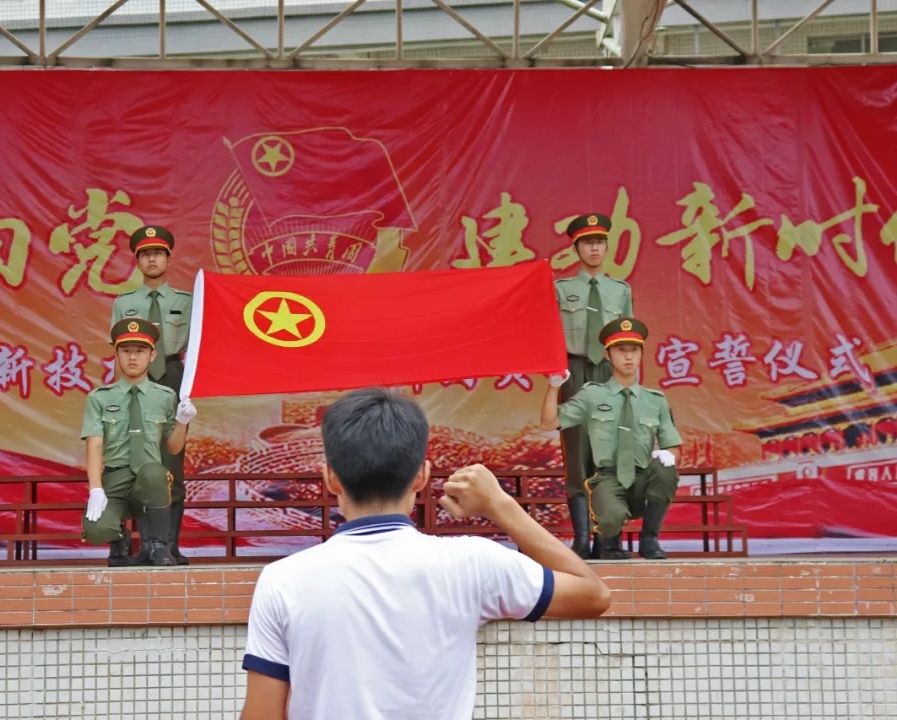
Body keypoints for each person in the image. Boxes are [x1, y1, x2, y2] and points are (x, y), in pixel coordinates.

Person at [238, 388, 611, 720]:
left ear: (330, 478)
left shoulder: (283, 579)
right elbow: (593, 594)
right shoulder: (472, 562)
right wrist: (500, 504)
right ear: (421, 475)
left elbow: (262, 714)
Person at [539, 318, 682, 560]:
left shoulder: (655, 400)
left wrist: (668, 455)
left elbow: (673, 445)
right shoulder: (592, 394)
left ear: (641, 354)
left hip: (642, 479)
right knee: (610, 517)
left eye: (634, 350)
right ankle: (610, 542)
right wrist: (554, 387)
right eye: (621, 350)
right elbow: (549, 422)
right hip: (609, 479)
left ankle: (649, 539)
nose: (628, 357)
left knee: (665, 469)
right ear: (608, 355)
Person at [80, 318, 197, 567]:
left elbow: (173, 447)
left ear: (152, 355)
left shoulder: (165, 396)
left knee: (156, 472)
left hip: (149, 481)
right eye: (126, 351)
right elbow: (94, 445)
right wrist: (96, 489)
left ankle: (158, 545)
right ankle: (119, 537)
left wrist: (182, 422)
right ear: (116, 355)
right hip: (116, 478)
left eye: (140, 351)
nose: (133, 357)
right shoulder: (100, 398)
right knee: (95, 530)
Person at [111, 225, 194, 565]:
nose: (152, 259)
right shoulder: (125, 303)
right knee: (140, 463)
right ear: (137, 261)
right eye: (145, 254)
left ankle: (169, 546)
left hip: (173, 376)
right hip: (136, 381)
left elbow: (200, 346)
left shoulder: (187, 302)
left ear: (168, 259)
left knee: (172, 462)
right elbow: (119, 353)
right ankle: (147, 545)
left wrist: (189, 391)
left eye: (158, 253)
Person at [554, 213, 634, 559]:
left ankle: (608, 541)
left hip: (608, 371)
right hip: (573, 371)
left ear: (607, 246)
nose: (595, 248)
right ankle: (582, 541)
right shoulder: (560, 290)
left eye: (600, 242)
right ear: (577, 248)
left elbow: (629, 343)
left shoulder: (621, 290)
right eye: (588, 243)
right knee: (576, 454)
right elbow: (550, 335)